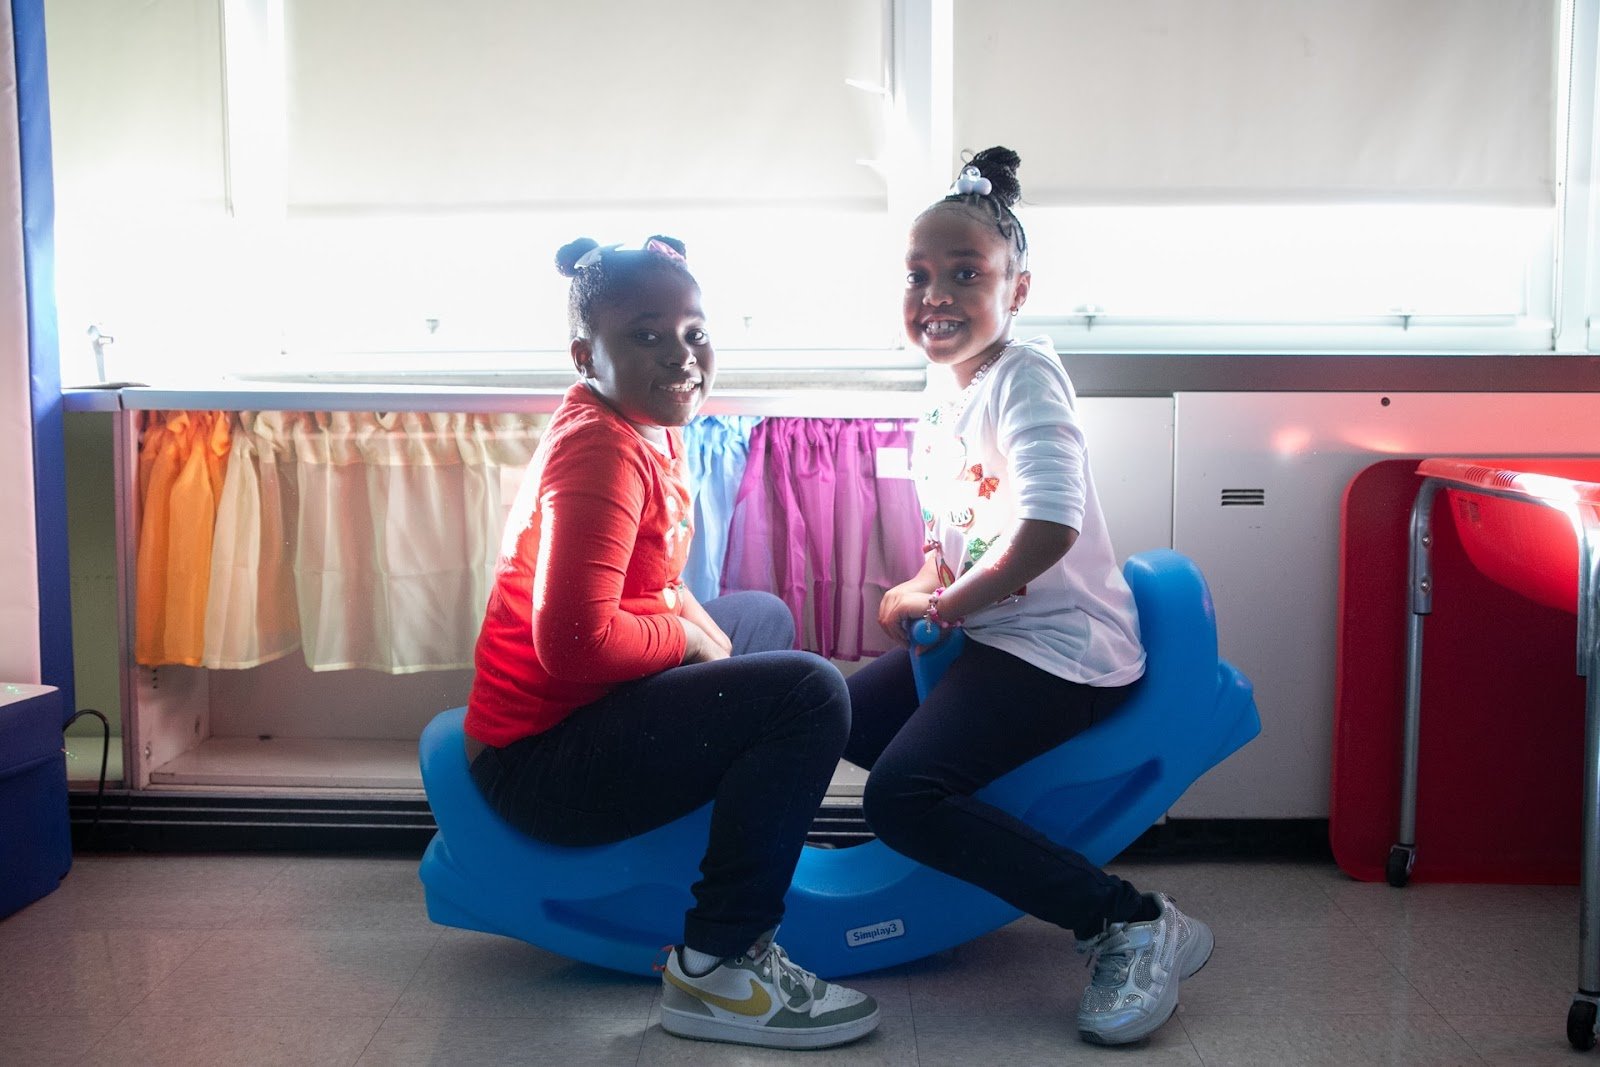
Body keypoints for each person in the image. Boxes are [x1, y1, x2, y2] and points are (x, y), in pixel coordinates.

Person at [464, 236, 879, 1051]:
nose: (681, 355)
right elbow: (575, 642)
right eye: (647, 335)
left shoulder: (648, 420)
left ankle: (750, 844)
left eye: (693, 331)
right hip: (540, 764)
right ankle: (723, 966)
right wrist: (685, 640)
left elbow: (653, 571)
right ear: (588, 353)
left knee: (759, 623)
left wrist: (706, 635)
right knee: (810, 691)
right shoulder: (601, 452)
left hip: (584, 715)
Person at [843, 148, 1213, 1046]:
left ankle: (1126, 918)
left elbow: (1047, 526)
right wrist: (922, 585)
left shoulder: (1026, 374)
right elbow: (952, 536)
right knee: (830, 713)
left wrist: (950, 606)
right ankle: (976, 839)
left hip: (1066, 648)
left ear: (1017, 290)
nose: (936, 293)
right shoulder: (942, 393)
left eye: (966, 274)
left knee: (902, 798)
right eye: (918, 275)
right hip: (990, 638)